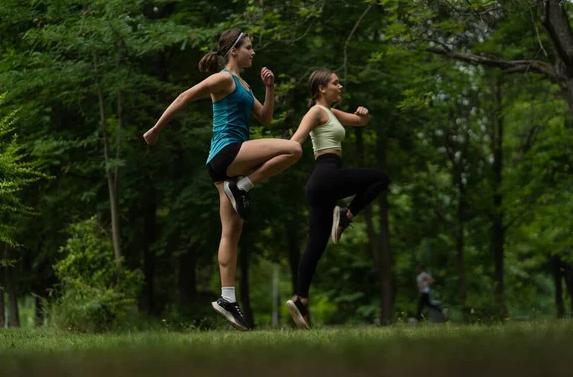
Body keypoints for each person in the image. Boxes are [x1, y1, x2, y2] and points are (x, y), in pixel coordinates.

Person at [143, 28, 302, 331]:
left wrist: (269, 88)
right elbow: (185, 96)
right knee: (293, 148)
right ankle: (241, 186)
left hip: (226, 165)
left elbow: (265, 118)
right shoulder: (224, 79)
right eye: (249, 47)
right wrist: (156, 128)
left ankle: (227, 298)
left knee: (232, 231)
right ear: (233, 51)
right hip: (227, 154)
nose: (253, 52)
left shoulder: (244, 84)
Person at [285, 69, 390, 329]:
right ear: (322, 88)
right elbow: (296, 140)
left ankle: (300, 299)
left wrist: (363, 115)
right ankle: (346, 215)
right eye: (335, 83)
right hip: (325, 176)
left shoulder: (331, 113)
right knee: (380, 178)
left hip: (321, 185)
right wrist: (273, 156)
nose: (340, 86)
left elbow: (358, 121)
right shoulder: (316, 112)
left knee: (316, 245)